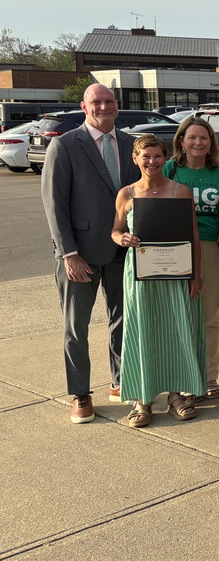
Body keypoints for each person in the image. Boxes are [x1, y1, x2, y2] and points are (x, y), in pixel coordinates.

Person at [41, 83, 140, 423]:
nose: (103, 107)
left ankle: (120, 380)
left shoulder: (131, 145)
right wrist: (68, 253)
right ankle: (80, 393)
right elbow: (55, 206)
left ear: (117, 105)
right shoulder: (64, 145)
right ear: (84, 107)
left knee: (123, 321)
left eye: (108, 101)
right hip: (79, 254)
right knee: (75, 327)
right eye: (96, 102)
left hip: (122, 251)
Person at [110, 134, 205, 427]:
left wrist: (196, 274)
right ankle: (143, 397)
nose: (152, 162)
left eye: (157, 156)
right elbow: (114, 230)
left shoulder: (180, 192)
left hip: (176, 273)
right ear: (135, 159)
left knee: (176, 329)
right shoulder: (126, 194)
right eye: (145, 156)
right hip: (140, 275)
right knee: (143, 331)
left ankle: (176, 394)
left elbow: (193, 235)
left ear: (165, 159)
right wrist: (122, 238)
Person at [165, 116, 219, 400]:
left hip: (210, 247)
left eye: (204, 138)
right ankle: (183, 375)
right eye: (192, 137)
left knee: (209, 315)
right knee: (180, 313)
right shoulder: (170, 168)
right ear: (181, 140)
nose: (198, 142)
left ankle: (208, 376)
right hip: (177, 247)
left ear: (211, 143)